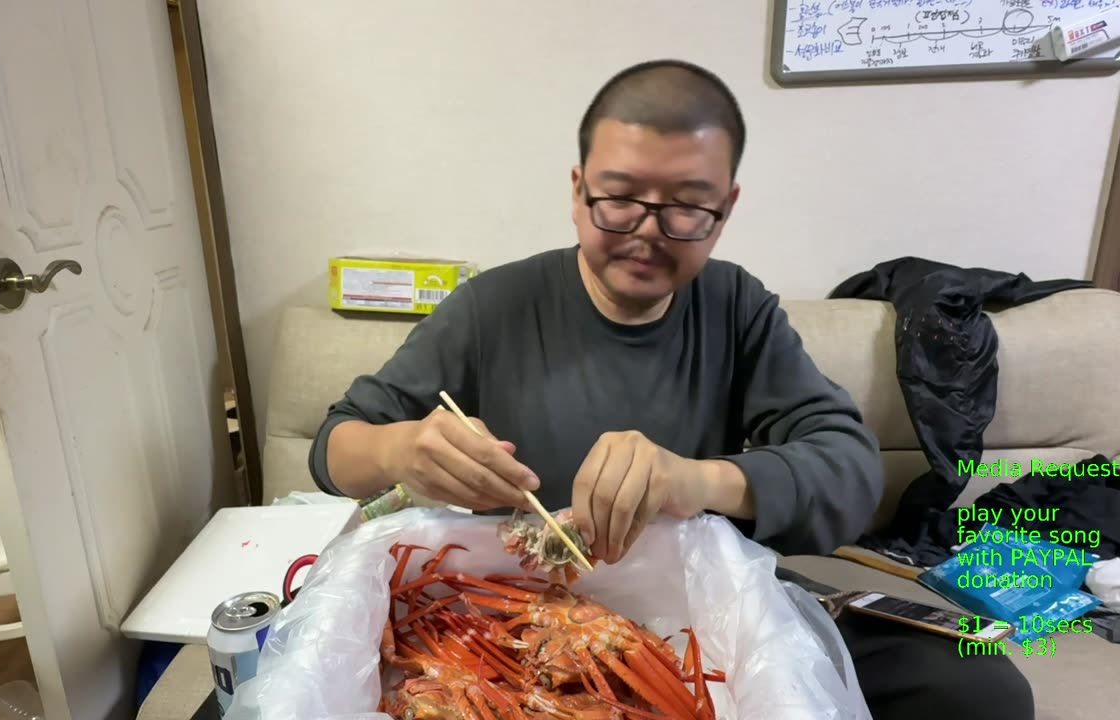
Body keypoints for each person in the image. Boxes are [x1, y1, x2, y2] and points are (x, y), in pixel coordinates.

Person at [308, 58, 1033, 720]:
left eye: (687, 206)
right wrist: (403, 449)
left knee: (977, 688)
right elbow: (336, 445)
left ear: (727, 205)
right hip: (510, 616)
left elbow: (847, 470)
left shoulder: (736, 307)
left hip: (690, 610)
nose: (645, 234)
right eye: (618, 199)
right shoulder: (491, 305)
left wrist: (695, 479)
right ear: (576, 189)